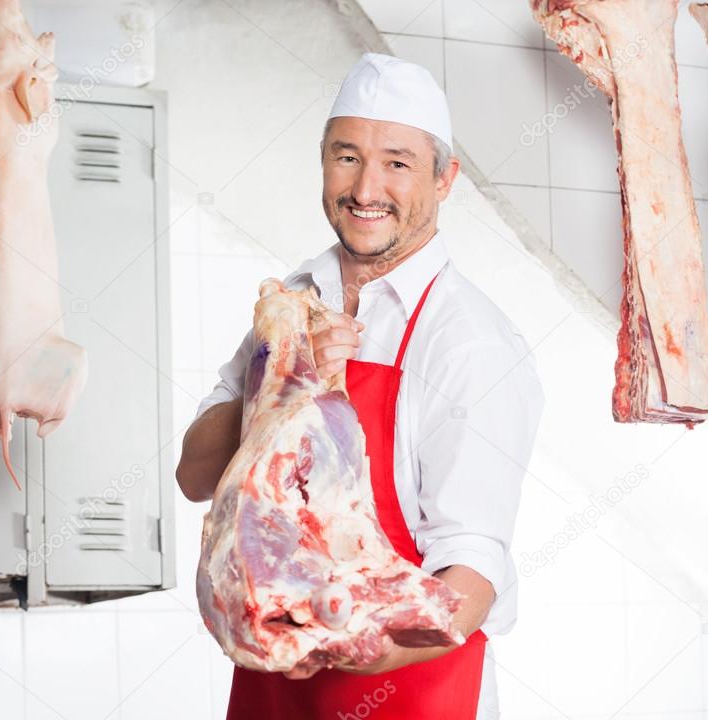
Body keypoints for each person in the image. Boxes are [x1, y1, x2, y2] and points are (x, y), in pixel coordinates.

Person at [177, 52, 545, 720]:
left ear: (445, 178)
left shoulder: (469, 341)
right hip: (271, 687)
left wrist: (342, 636)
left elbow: (473, 572)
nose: (366, 187)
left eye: (398, 163)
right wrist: (285, 386)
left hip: (406, 689)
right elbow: (196, 475)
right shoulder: (293, 300)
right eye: (346, 157)